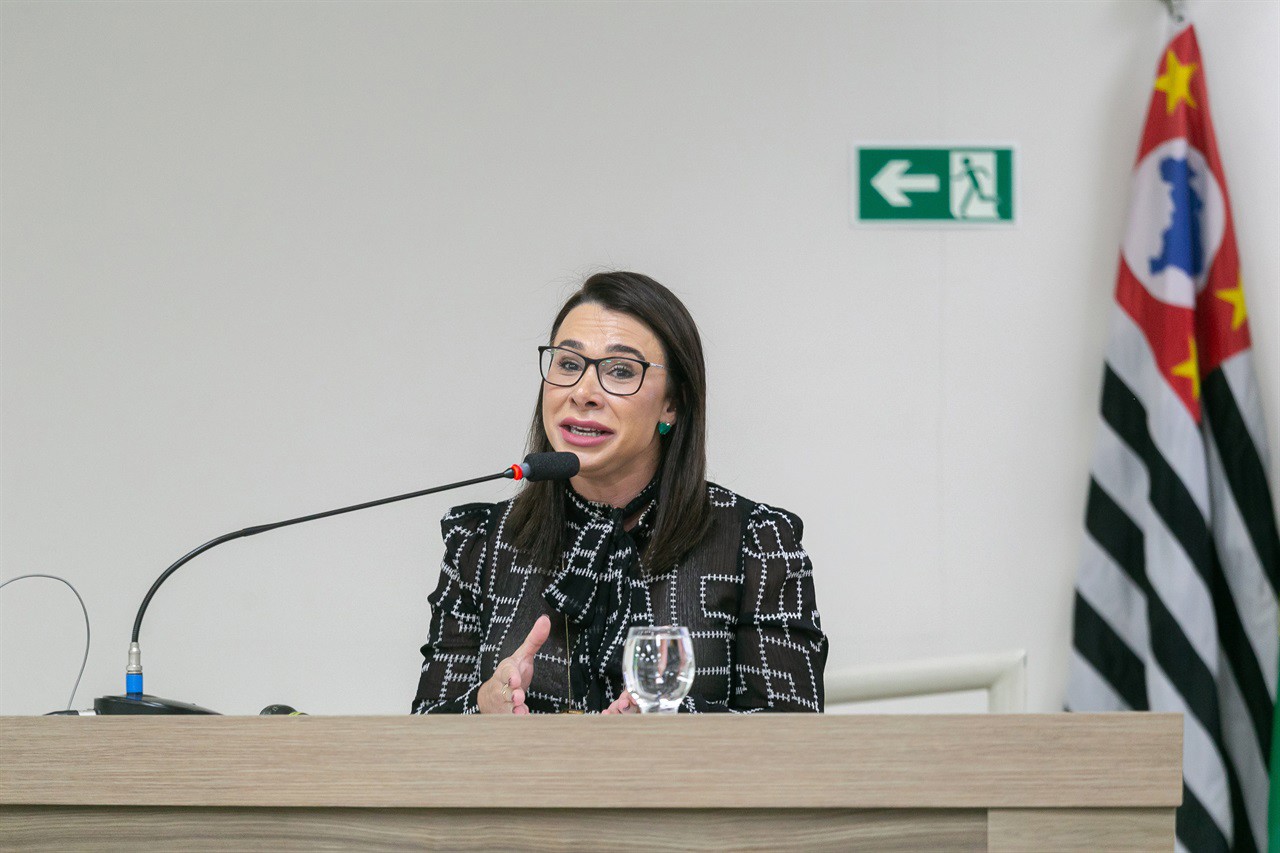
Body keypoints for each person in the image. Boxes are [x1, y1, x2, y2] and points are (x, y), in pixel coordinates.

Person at [412, 271, 827, 714]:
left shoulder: (755, 543)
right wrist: (481, 711)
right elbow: (424, 735)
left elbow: (792, 736)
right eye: (568, 364)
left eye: (621, 371)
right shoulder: (482, 544)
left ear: (673, 403)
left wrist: (670, 729)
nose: (584, 393)